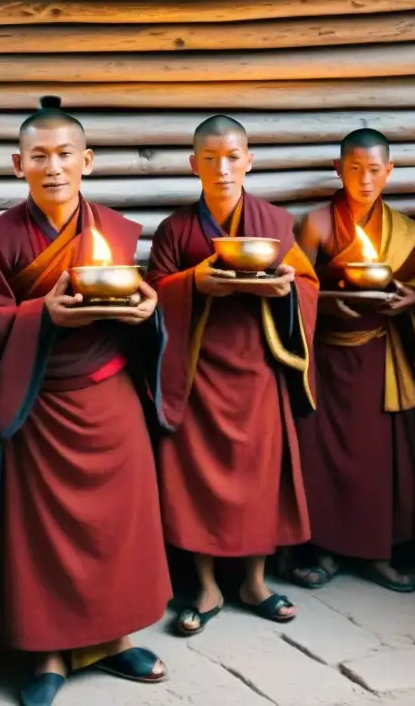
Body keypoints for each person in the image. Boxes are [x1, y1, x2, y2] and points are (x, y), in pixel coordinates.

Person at [0, 97, 171, 706]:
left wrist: (148, 314)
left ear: (88, 161)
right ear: (16, 163)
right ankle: (46, 652)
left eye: (66, 155)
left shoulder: (118, 231)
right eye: (39, 156)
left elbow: (135, 305)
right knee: (41, 535)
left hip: (110, 396)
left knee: (115, 528)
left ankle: (114, 637)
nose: (54, 167)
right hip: (37, 405)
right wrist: (37, 316)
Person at [146, 114, 318, 635]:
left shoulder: (274, 222)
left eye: (233, 156)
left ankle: (255, 581)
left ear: (249, 160)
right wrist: (197, 284)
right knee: (196, 479)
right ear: (194, 163)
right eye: (211, 158)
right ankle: (205, 584)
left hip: (258, 368)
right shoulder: (175, 229)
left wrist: (286, 290)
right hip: (195, 371)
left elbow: (307, 285)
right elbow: (154, 292)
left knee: (258, 479)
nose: (223, 169)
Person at [291, 128, 415, 592]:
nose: (364, 180)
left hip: (380, 355)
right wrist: (324, 302)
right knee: (326, 455)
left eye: (374, 170)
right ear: (338, 169)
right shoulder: (316, 224)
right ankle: (326, 548)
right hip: (329, 356)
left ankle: (378, 551)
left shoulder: (403, 231)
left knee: (376, 458)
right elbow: (298, 288)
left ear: (389, 172)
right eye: (354, 169)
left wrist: (414, 297)